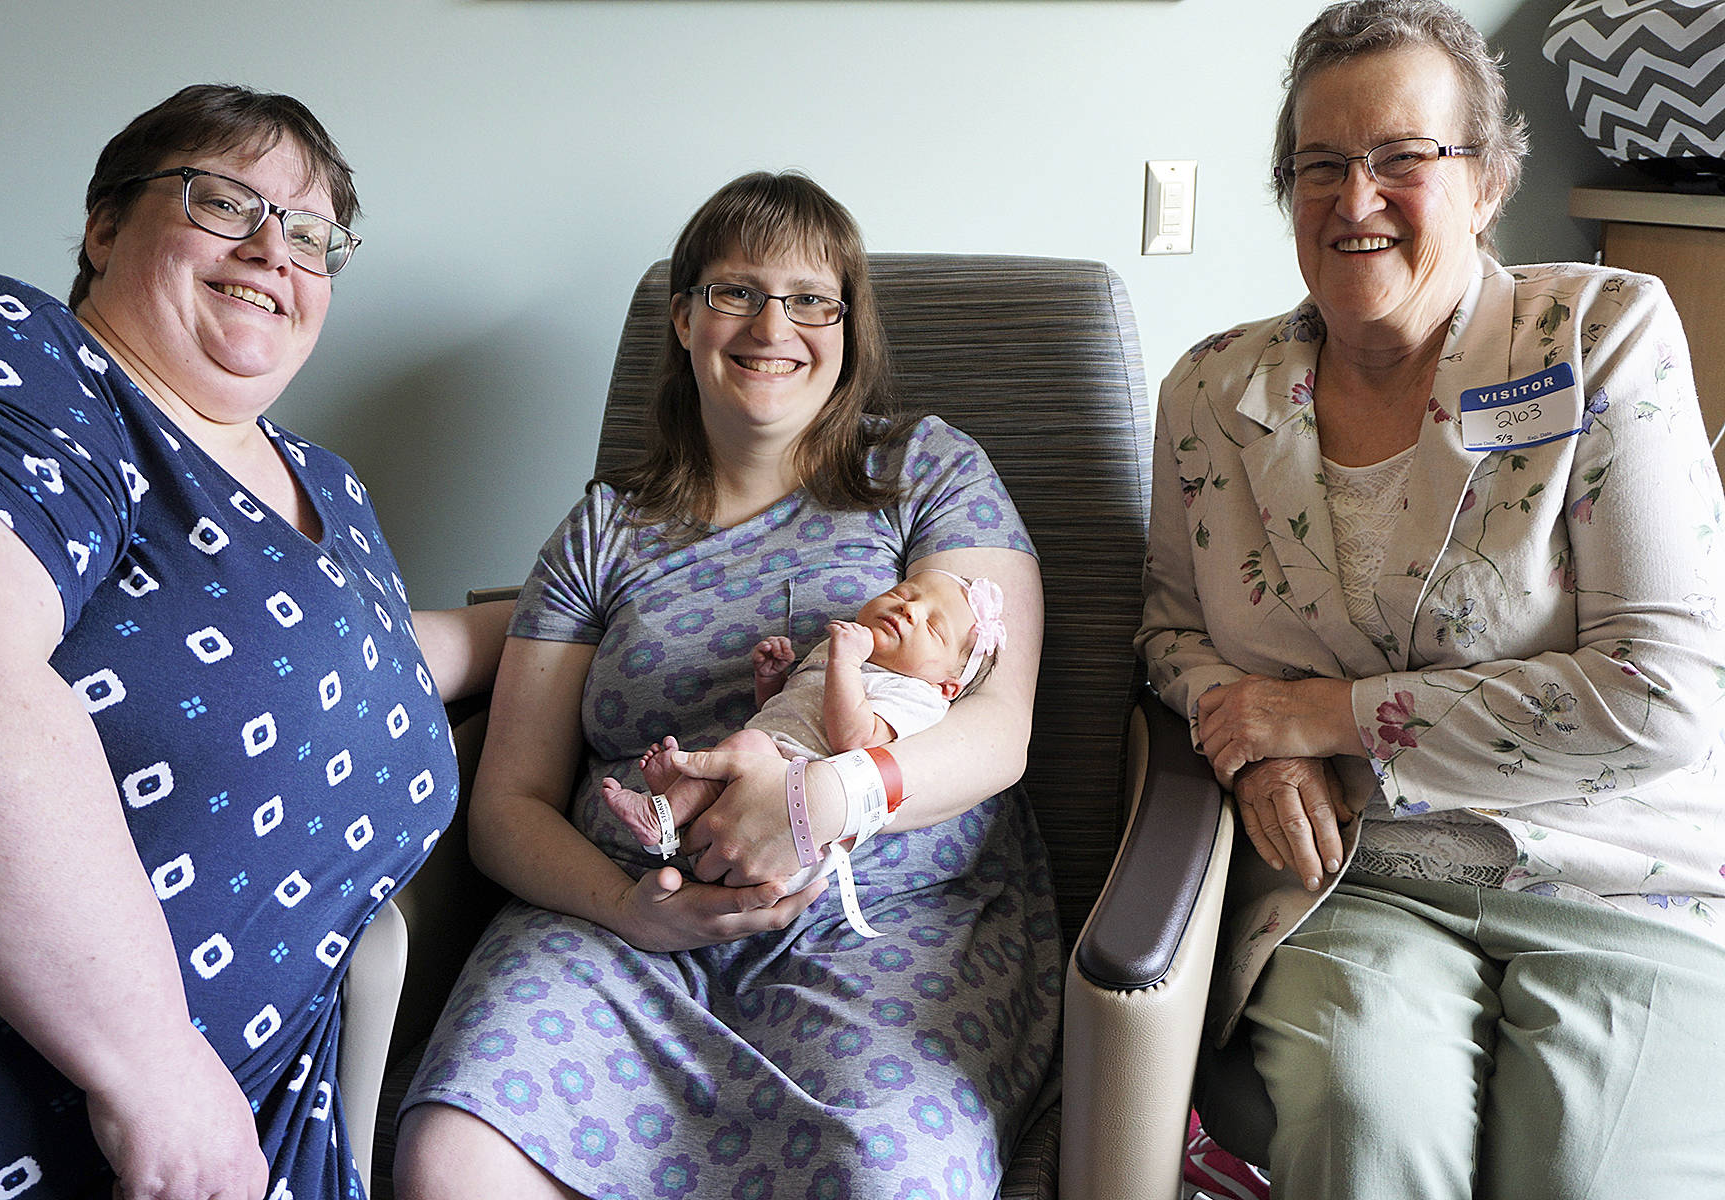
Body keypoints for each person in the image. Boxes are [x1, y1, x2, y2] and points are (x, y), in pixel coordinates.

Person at [1137, 2, 1725, 1196]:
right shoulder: (1210, 391)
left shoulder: (1600, 335)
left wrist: (1317, 715)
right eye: (1320, 164)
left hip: (1622, 873)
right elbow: (1170, 629)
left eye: (1403, 156)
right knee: (1366, 1135)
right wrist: (1255, 748)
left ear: (1489, 179)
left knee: (1589, 1174)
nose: (1354, 198)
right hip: (1356, 878)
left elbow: (1660, 697)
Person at [394, 170, 1057, 1200]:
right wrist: (630, 909)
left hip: (881, 925)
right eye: (736, 292)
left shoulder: (926, 472)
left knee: (890, 1171)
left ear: (848, 328)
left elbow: (999, 728)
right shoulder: (601, 532)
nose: (772, 326)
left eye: (810, 300)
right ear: (684, 318)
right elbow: (508, 804)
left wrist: (831, 797)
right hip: (622, 930)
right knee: (452, 1158)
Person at [0, 85, 509, 1199]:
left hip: (261, 1132)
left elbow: (367, 668)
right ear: (104, 227)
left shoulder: (329, 484)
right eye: (225, 201)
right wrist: (154, 1077)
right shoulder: (28, 356)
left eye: (311, 235)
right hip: (35, 1112)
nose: (273, 250)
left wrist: (587, 608)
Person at [601, 566, 1005, 881]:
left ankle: (660, 816)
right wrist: (771, 680)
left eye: (933, 628)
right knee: (733, 749)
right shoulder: (839, 649)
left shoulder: (917, 695)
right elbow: (785, 714)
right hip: (758, 775)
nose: (908, 609)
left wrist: (845, 662)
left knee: (745, 745)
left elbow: (856, 741)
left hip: (791, 823)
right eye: (902, 593)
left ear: (946, 686)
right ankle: (674, 812)